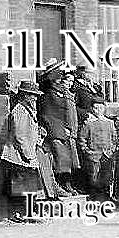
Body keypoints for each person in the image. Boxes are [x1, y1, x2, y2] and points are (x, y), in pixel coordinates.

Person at [1, 81, 57, 199]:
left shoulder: (28, 110)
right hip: (18, 155)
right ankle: (21, 213)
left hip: (25, 154)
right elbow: (20, 135)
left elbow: (28, 130)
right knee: (23, 188)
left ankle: (25, 212)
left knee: (28, 187)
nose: (35, 98)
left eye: (36, 96)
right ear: (25, 95)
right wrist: (29, 155)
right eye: (33, 95)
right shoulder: (19, 111)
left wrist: (38, 132)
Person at [38, 63, 82, 196]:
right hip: (55, 131)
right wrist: (59, 129)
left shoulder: (60, 92)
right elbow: (47, 115)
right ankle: (59, 187)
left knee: (67, 160)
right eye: (57, 76)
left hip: (63, 131)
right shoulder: (49, 94)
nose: (59, 78)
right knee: (60, 159)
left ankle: (67, 185)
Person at [78, 96, 119, 200]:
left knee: (107, 177)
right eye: (96, 108)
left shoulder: (110, 123)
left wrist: (112, 150)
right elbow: (82, 139)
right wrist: (87, 151)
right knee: (94, 178)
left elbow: (114, 138)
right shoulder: (88, 123)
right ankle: (95, 200)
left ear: (104, 108)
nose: (98, 110)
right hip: (94, 155)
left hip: (107, 155)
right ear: (92, 109)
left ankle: (106, 200)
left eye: (101, 108)